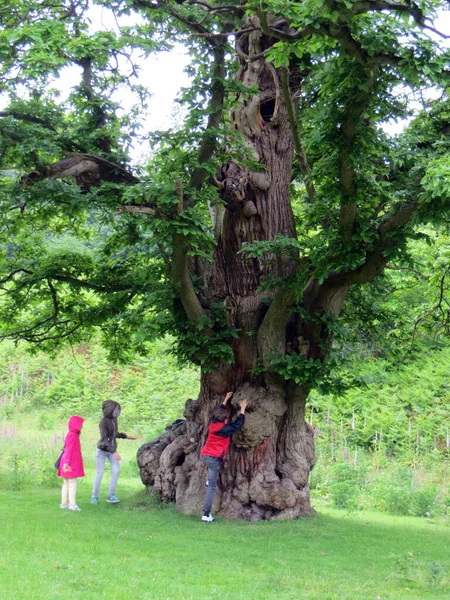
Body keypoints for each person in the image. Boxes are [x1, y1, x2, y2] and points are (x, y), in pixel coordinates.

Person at [200, 392, 248, 522]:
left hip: (204, 455)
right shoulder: (223, 430)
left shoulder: (214, 423)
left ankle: (209, 479)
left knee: (211, 478)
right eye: (227, 418)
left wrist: (226, 399)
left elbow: (219, 411)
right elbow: (237, 425)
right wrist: (243, 409)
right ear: (225, 420)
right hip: (213, 459)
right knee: (212, 487)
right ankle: (206, 514)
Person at [91, 400, 136, 504]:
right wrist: (114, 452)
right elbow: (104, 439)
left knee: (116, 471)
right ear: (110, 410)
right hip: (102, 450)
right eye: (115, 410)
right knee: (100, 473)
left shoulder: (114, 420)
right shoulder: (103, 421)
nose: (117, 412)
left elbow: (114, 433)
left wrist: (127, 436)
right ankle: (94, 497)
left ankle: (111, 495)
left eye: (118, 410)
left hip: (111, 450)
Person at [58, 415, 85, 511]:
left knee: (66, 484)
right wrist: (67, 463)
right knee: (72, 483)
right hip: (70, 464)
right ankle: (72, 505)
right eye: (80, 424)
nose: (82, 426)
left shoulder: (71, 434)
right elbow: (69, 450)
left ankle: (64, 503)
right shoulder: (73, 435)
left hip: (65, 463)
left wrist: (65, 463)